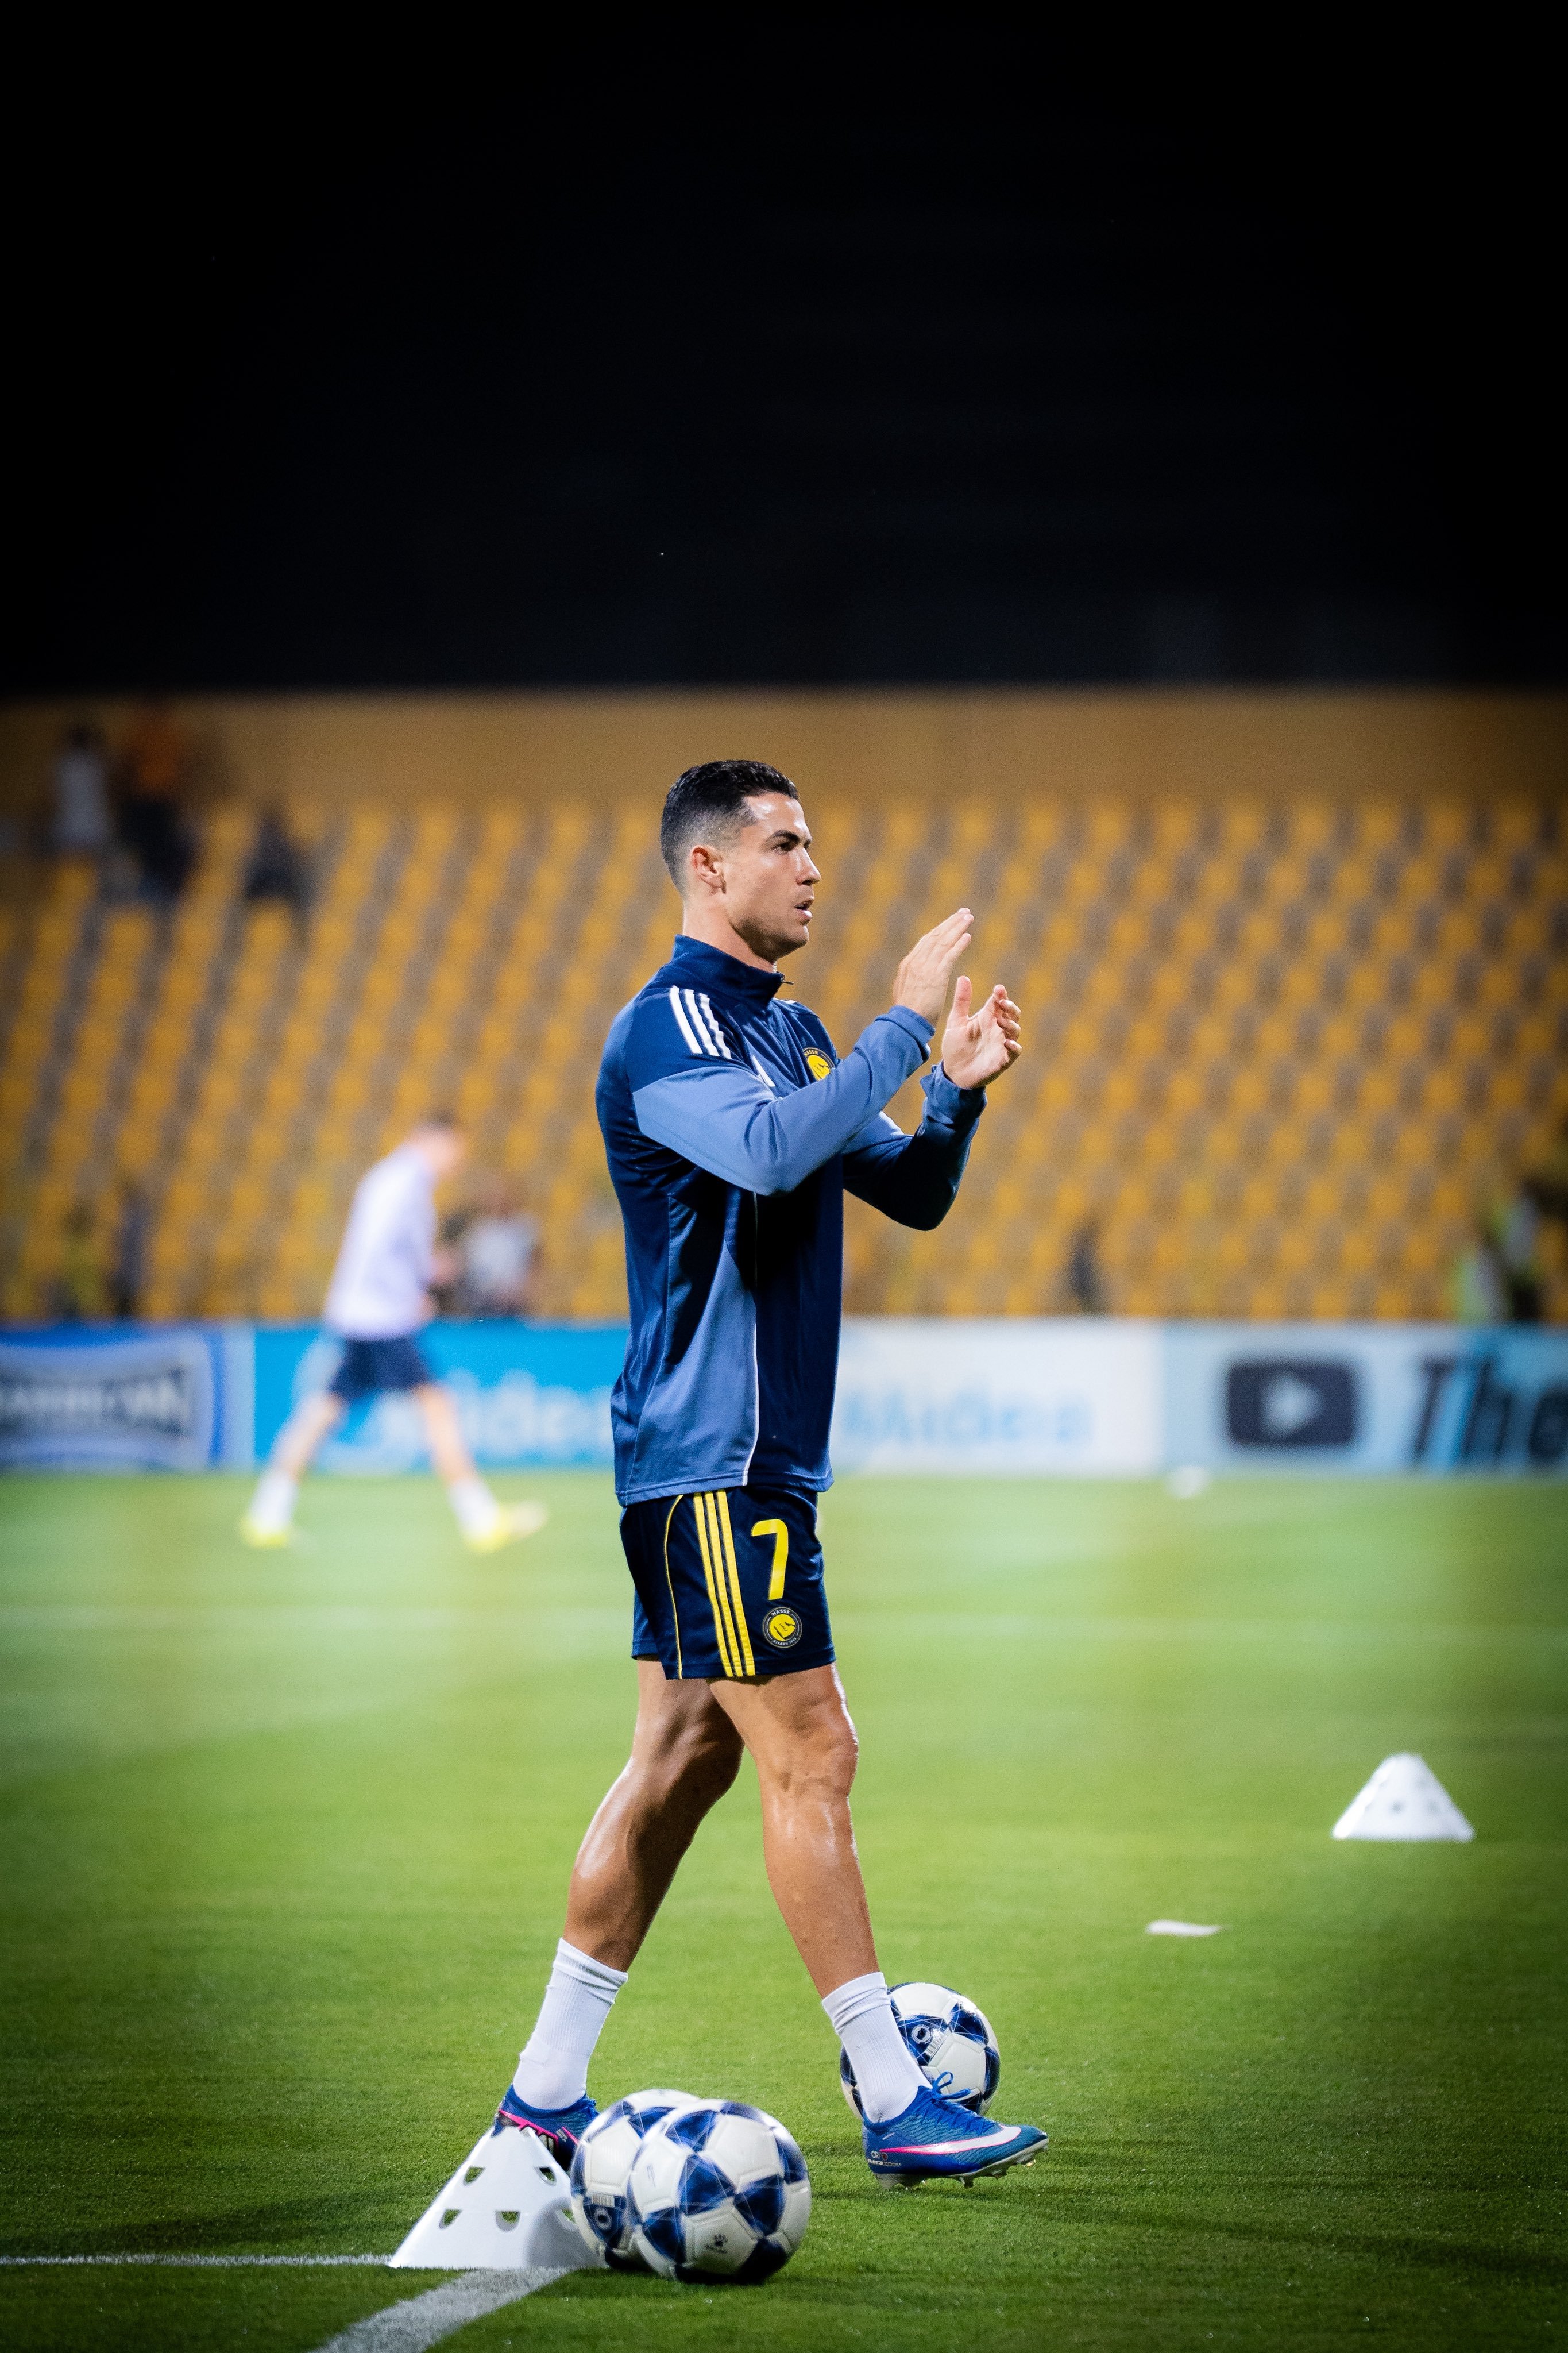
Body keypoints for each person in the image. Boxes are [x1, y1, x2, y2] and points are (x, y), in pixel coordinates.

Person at [489, 759, 1045, 2188]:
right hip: (713, 1458)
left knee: (681, 1760)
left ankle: (542, 2098)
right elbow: (771, 1151)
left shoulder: (790, 1031)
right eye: (784, 842)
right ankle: (896, 2098)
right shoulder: (667, 1026)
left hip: (747, 1461)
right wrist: (902, 1023)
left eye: (812, 843)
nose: (812, 867)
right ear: (708, 868)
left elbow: (906, 1187)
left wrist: (952, 1093)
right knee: (814, 1748)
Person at [240, 1117, 546, 1551]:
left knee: (324, 1411)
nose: (455, 1164)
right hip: (381, 1318)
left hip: (363, 1314)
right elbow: (382, 1250)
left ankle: (267, 1512)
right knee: (437, 1407)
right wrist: (412, 1293)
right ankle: (479, 1519)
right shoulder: (404, 1182)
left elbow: (387, 1249)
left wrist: (422, 1274)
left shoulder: (392, 1179)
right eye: (454, 1152)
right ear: (432, 1140)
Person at [449, 1177, 540, 1317]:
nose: (498, 1200)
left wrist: (526, 1291)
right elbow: (468, 1264)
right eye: (494, 1195)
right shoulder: (479, 1228)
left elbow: (536, 1264)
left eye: (503, 1195)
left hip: (514, 1300)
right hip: (483, 1300)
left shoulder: (525, 1227)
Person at [51, 724, 113, 857]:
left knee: (71, 867)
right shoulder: (98, 764)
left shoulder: (63, 765)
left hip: (69, 828)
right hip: (96, 828)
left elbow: (54, 799)